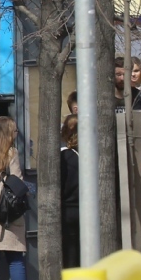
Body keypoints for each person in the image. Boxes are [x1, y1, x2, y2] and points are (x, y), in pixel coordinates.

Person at [0, 115, 28, 280]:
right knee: (15, 259)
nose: (16, 133)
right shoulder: (12, 152)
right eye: (14, 130)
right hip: (8, 211)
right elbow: (18, 181)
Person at [60, 114, 82, 270]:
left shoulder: (64, 157)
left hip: (68, 209)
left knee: (70, 250)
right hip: (85, 208)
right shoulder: (92, 154)